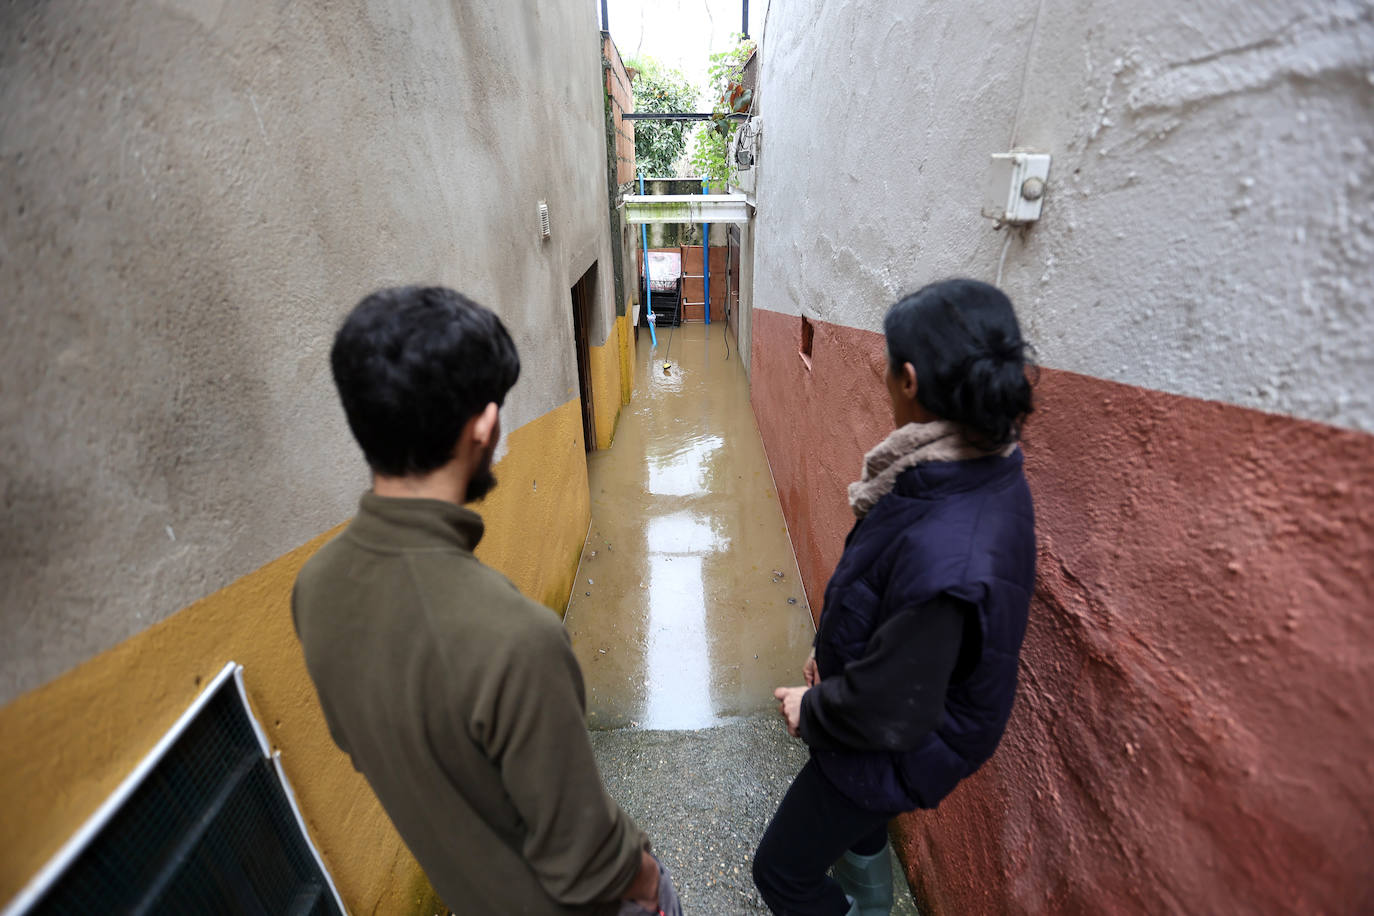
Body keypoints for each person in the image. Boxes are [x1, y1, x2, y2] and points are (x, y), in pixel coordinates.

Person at [292, 286, 679, 915]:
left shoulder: (316, 587)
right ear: (483, 426)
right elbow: (589, 860)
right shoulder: (516, 639)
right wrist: (649, 880)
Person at [752, 278, 1037, 916]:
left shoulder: (949, 545)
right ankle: (870, 901)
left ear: (908, 380)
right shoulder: (973, 470)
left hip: (898, 743)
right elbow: (888, 601)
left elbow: (892, 706)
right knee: (860, 816)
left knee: (781, 872)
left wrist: (813, 707)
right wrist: (831, 655)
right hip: (898, 730)